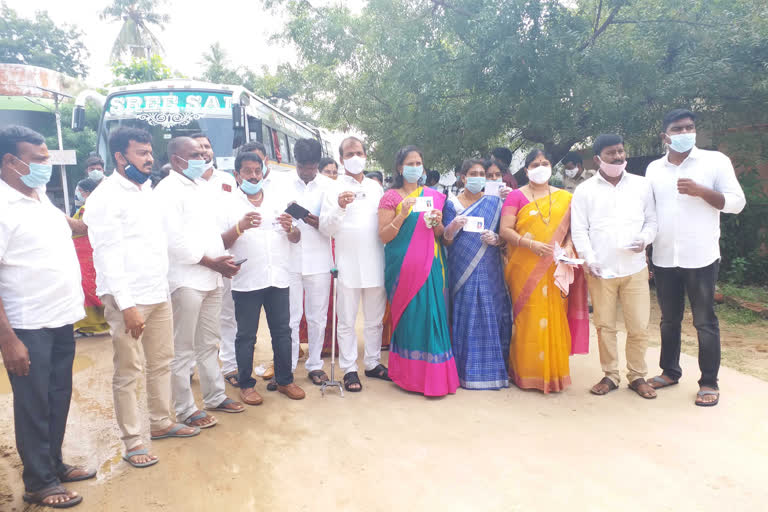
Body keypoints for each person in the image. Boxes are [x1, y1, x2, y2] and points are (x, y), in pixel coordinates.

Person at [85, 127, 200, 469]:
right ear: (120, 157)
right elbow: (106, 254)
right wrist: (127, 305)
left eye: (150, 152)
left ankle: (161, 421)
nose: (150, 159)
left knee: (161, 361)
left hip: (157, 291)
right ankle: (134, 443)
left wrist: (162, 290)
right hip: (129, 299)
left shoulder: (147, 190)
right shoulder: (105, 197)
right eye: (140, 153)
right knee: (129, 370)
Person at [0, 126, 94, 508]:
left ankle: (53, 463)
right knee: (33, 403)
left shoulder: (39, 199)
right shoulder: (3, 208)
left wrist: (94, 214)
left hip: (60, 319)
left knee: (57, 397)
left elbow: (74, 228)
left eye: (46, 159)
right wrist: (8, 340)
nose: (45, 167)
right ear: (10, 162)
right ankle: (39, 481)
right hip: (28, 325)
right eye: (38, 161)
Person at [645, 109, 746, 407]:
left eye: (690, 127)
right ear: (665, 136)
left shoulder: (715, 161)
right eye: (678, 129)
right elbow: (649, 214)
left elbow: (737, 203)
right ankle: (669, 371)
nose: (686, 132)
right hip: (664, 257)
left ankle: (708, 382)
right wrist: (646, 251)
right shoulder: (654, 169)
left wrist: (703, 192)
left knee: (705, 321)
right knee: (668, 320)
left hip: (701, 256)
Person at [153, 136, 245, 428]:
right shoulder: (167, 190)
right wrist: (211, 262)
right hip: (186, 280)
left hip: (211, 279)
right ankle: (185, 409)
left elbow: (211, 233)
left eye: (203, 152)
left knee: (208, 344)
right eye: (194, 154)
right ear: (177, 158)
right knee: (183, 349)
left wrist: (223, 262)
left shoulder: (201, 187)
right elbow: (174, 241)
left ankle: (215, 396)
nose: (202, 157)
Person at [571, 134, 658, 399]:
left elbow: (652, 222)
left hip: (634, 268)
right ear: (598, 159)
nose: (618, 157)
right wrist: (590, 259)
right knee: (605, 326)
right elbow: (579, 230)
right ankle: (610, 375)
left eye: (621, 151)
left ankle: (638, 375)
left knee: (639, 326)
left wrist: (644, 240)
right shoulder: (585, 190)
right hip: (601, 270)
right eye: (611, 153)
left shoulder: (642, 185)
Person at [499, 149, 589, 393]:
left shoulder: (565, 197)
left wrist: (569, 247)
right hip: (523, 267)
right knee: (527, 317)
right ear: (526, 169)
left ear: (551, 167)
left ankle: (554, 373)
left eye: (545, 162)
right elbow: (505, 230)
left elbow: (573, 230)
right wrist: (530, 244)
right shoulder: (516, 197)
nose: (541, 167)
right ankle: (525, 373)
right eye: (535, 164)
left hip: (556, 269)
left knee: (554, 316)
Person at [220, 151, 305, 403]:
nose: (253, 175)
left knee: (282, 331)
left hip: (278, 277)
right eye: (247, 171)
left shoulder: (278, 200)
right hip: (247, 279)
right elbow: (221, 242)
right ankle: (246, 384)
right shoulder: (228, 204)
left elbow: (296, 237)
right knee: (246, 335)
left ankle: (284, 380)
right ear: (237, 175)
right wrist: (239, 227)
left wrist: (291, 228)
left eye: (257, 170)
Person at [378, 145, 459, 396]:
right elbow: (385, 236)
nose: (415, 168)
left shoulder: (434, 197)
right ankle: (408, 376)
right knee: (410, 320)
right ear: (400, 168)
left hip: (430, 267)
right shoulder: (390, 198)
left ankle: (435, 376)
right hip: (402, 271)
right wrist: (402, 214)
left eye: (418, 163)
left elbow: (443, 238)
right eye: (410, 164)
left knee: (432, 318)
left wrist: (437, 223)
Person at [320, 136, 389, 392]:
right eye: (349, 154)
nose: (355, 158)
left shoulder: (375, 187)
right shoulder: (332, 188)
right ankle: (350, 369)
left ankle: (372, 362)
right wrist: (339, 206)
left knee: (374, 319)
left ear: (365, 156)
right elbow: (325, 228)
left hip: (375, 259)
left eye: (358, 153)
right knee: (347, 320)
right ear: (341, 159)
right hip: (347, 262)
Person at [442, 159, 512, 390]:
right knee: (467, 313)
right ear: (463, 177)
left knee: (492, 311)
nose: (479, 177)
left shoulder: (494, 202)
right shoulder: (452, 203)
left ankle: (493, 370)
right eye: (473, 173)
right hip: (462, 267)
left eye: (483, 173)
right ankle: (465, 371)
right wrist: (452, 228)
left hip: (490, 267)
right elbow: (446, 240)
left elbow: (505, 235)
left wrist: (497, 239)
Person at [283, 138, 334, 385]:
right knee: (290, 317)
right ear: (296, 162)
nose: (307, 172)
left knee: (317, 316)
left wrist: (315, 221)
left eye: (312, 167)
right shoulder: (280, 183)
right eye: (303, 167)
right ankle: (288, 366)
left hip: (319, 260)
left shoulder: (329, 186)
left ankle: (315, 364)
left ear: (318, 163)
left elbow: (335, 225)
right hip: (289, 259)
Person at [192, 132, 240, 387]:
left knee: (227, 315)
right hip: (195, 260)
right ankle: (189, 366)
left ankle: (230, 365)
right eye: (198, 148)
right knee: (192, 316)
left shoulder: (227, 180)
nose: (204, 151)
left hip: (226, 256)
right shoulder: (183, 182)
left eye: (207, 146)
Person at [71, 178, 110, 337]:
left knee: (88, 288)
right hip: (87, 255)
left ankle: (92, 325)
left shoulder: (88, 209)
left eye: (79, 191)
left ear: (86, 192)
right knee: (90, 288)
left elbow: (82, 228)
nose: (78, 194)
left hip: (86, 255)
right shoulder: (95, 207)